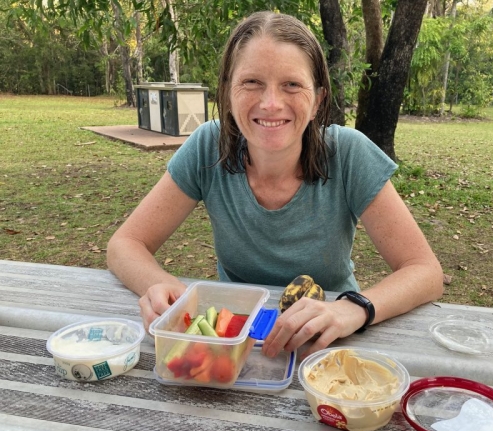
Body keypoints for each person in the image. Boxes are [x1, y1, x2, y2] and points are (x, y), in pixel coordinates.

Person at [106, 11, 443, 359]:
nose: (270, 104)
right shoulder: (208, 145)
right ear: (228, 92)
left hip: (330, 342)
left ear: (318, 101)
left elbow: (425, 271)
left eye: (292, 85)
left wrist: (351, 310)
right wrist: (162, 286)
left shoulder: (349, 154)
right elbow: (125, 244)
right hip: (235, 339)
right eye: (251, 82)